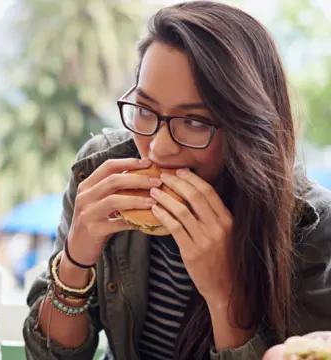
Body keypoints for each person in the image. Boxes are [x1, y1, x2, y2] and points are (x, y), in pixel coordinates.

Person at [22, 1, 331, 359]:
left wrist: (223, 295)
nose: (157, 148)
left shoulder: (312, 227)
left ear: (248, 131)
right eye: (145, 109)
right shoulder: (102, 169)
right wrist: (75, 262)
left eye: (195, 122)